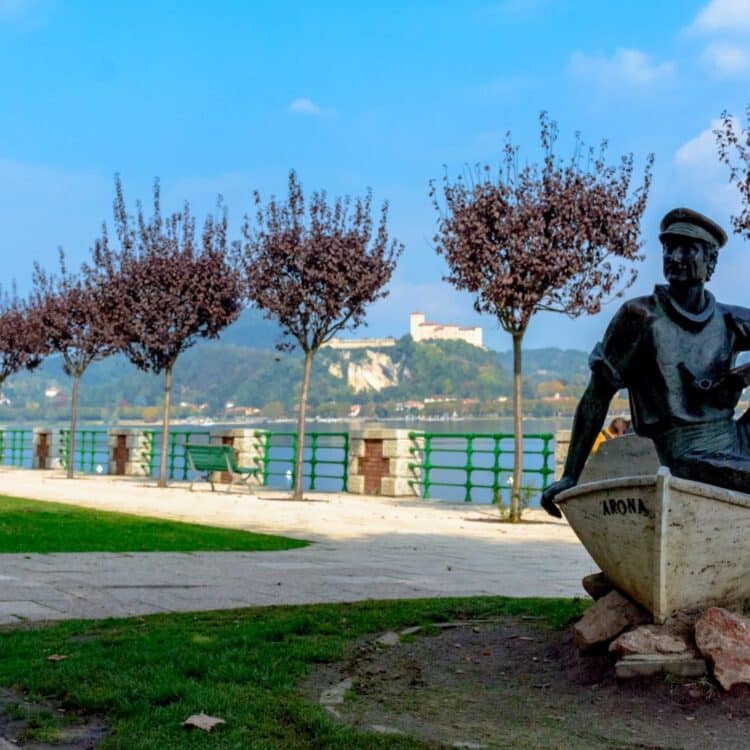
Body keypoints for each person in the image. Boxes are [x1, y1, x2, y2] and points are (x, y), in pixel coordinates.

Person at [542, 207, 750, 518]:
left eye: (688, 249)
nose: (675, 257)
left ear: (711, 262)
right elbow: (596, 397)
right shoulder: (640, 318)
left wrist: (740, 378)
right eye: (669, 248)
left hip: (736, 440)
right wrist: (570, 475)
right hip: (685, 454)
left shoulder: (730, 320)